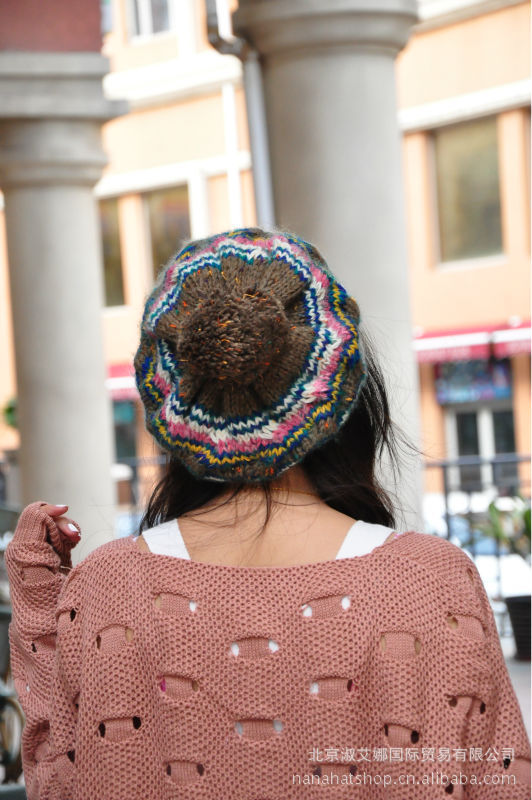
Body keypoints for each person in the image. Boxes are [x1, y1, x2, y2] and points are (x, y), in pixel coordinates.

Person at [5, 227, 530, 799]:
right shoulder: (429, 582)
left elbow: (62, 779)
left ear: (181, 417)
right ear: (347, 402)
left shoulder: (108, 587)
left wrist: (43, 610)